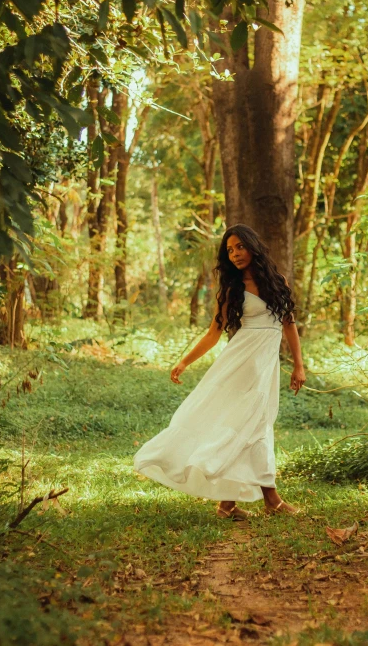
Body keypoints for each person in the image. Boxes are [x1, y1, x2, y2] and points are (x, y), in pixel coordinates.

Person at [133, 223, 306, 520]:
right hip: (239, 365)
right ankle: (271, 500)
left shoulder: (278, 282)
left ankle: (228, 504)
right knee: (251, 426)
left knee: (254, 426)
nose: (235, 254)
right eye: (229, 250)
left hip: (265, 368)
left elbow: (288, 324)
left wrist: (300, 366)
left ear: (253, 246)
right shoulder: (231, 289)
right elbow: (214, 334)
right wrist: (184, 361)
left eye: (240, 247)